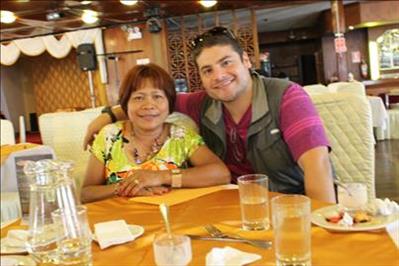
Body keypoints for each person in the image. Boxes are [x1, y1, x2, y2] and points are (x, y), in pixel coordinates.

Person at [84, 27, 336, 203]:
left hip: (290, 202)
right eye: (208, 70)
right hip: (230, 205)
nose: (218, 76)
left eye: (226, 62)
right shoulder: (202, 102)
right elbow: (153, 101)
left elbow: (318, 166)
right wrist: (106, 115)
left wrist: (320, 224)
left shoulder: (287, 96)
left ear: (246, 60)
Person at [81, 63, 230, 203]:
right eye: (139, 98)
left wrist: (160, 177)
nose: (149, 105)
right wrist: (126, 188)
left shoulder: (181, 136)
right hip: (122, 225)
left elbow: (221, 174)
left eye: (157, 96)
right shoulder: (109, 136)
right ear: (125, 104)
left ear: (169, 104)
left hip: (173, 220)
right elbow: (86, 194)